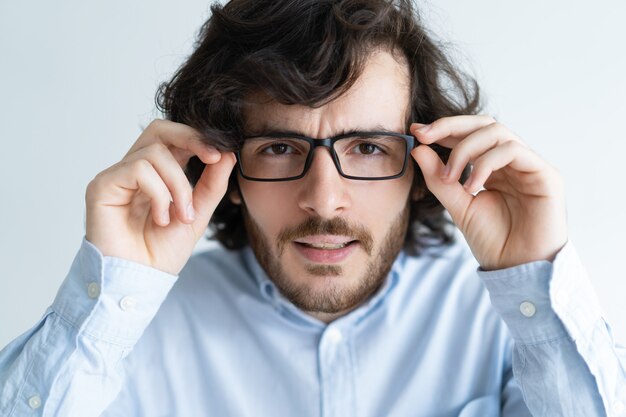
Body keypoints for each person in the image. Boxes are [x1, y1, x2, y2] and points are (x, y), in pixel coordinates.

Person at [0, 0, 624, 415]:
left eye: (370, 147)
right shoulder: (126, 335)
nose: (324, 198)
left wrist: (537, 275)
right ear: (225, 167)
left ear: (422, 168)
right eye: (278, 147)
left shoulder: (511, 329)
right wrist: (109, 291)